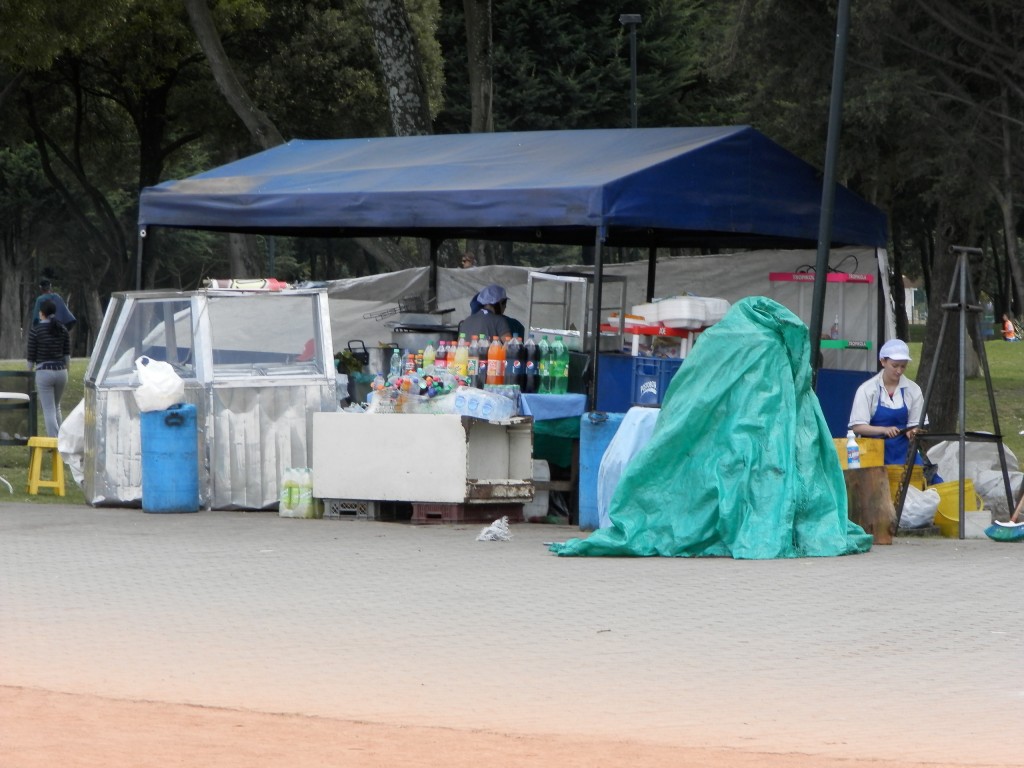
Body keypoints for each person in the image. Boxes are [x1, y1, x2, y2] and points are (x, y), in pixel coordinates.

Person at [848, 339, 925, 466]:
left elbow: (915, 425)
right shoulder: (867, 389)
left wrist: (911, 432)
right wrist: (884, 430)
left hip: (905, 453)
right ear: (883, 361)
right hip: (874, 454)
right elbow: (858, 426)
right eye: (895, 366)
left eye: (903, 366)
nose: (899, 371)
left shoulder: (913, 390)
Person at [27, 299, 72, 438]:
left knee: (48, 410)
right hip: (61, 371)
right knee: (56, 406)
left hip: (44, 372)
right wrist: (66, 371)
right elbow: (67, 356)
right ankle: (63, 439)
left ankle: (55, 442)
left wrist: (28, 374)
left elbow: (31, 358)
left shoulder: (36, 331)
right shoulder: (62, 329)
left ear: (42, 313)